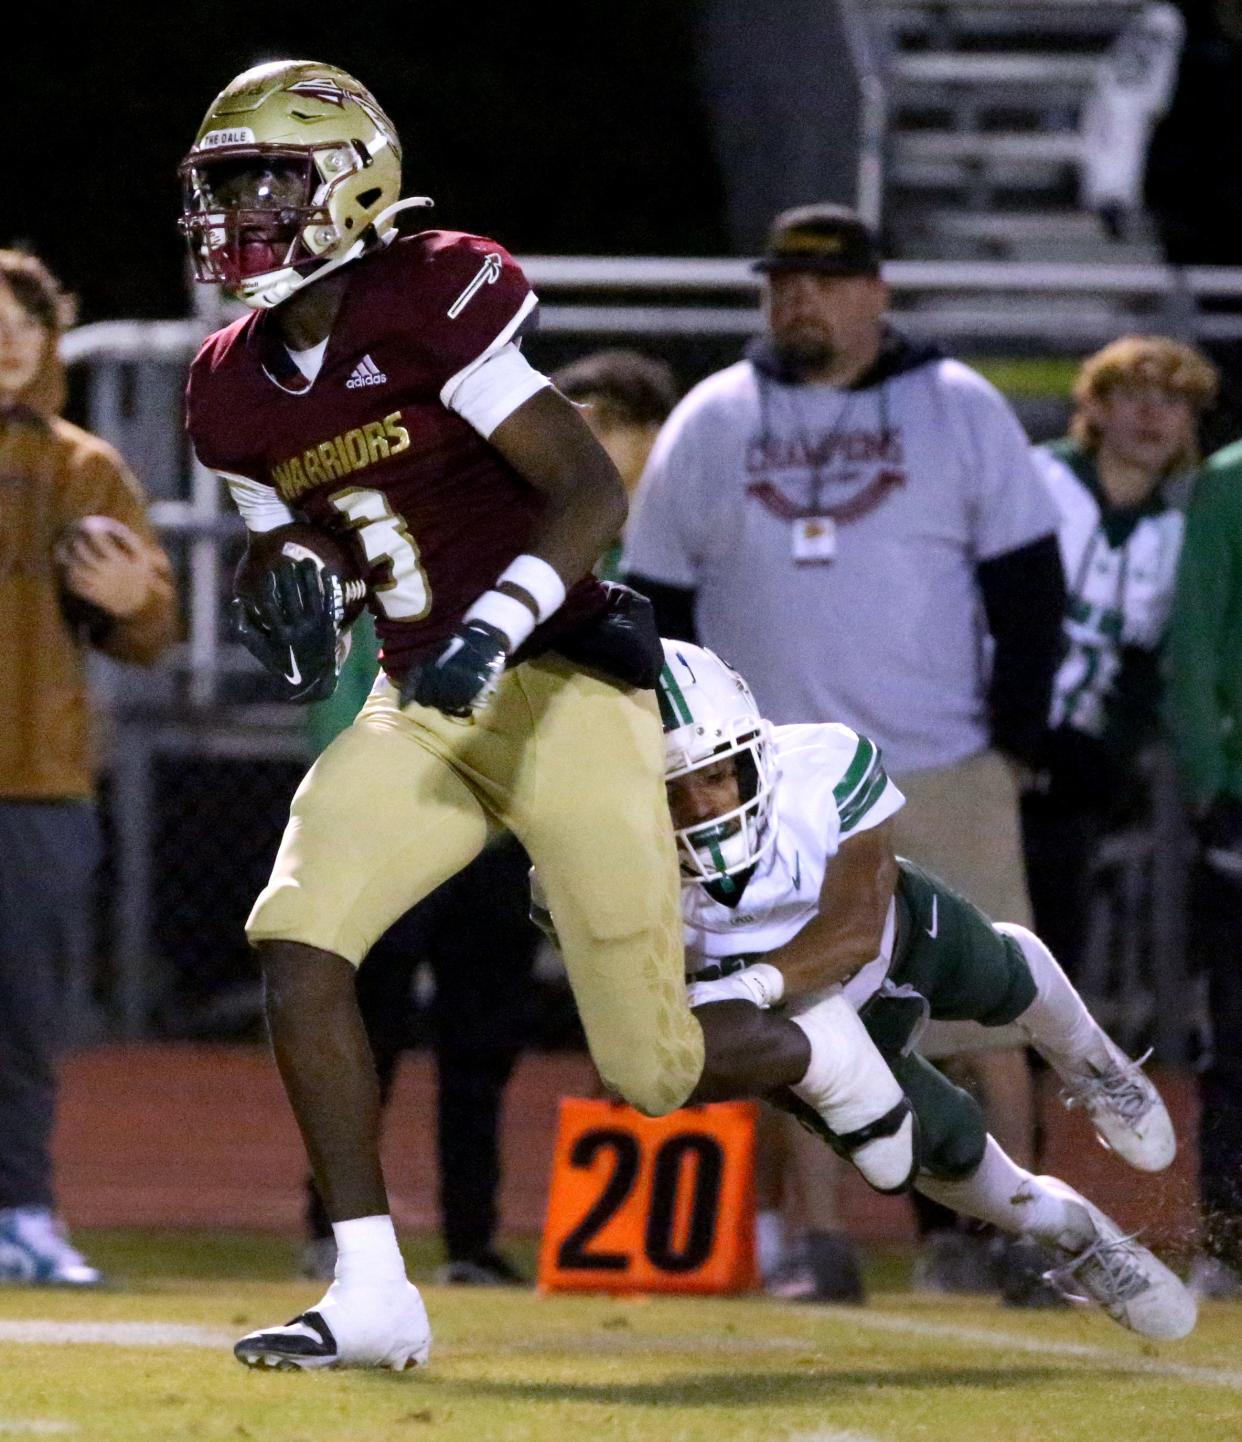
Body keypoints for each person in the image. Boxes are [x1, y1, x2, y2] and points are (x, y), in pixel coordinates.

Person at [180, 62, 915, 1372]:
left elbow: (584, 489)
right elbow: (287, 552)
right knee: (297, 942)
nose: (236, 214)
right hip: (422, 700)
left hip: (562, 680)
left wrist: (489, 623)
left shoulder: (427, 294)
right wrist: (282, 595)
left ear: (350, 183)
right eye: (224, 188)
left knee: (652, 1067)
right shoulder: (228, 388)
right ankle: (370, 1290)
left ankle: (819, 1043)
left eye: (264, 183)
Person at [623, 201, 1067, 1292]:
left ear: (878, 292)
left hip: (940, 756)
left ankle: (1012, 1238)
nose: (799, 301)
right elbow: (653, 603)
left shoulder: (958, 406)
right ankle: (815, 1244)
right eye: (781, 283)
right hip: (764, 787)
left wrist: (1012, 738)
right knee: (779, 1004)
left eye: (823, 282)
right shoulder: (712, 417)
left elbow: (1029, 589)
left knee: (984, 1004)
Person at [595, 642, 1189, 1338]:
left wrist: (746, 988)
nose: (700, 806)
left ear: (754, 750)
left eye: (717, 774)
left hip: (892, 942)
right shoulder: (608, 858)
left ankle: (1092, 1059)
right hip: (801, 1034)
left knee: (1000, 977)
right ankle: (1076, 1232)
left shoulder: (823, 764)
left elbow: (854, 923)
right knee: (955, 1158)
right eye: (672, 789)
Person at [0, 249, 176, 1285]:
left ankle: (21, 1212)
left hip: (37, 786)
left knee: (22, 1024)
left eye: (28, 319)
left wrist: (130, 603)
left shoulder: (84, 468)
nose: (13, 337)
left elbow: (155, 632)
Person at [300, 617, 537, 1289]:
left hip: (491, 841)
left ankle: (471, 1240)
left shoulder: (525, 575)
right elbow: (335, 703)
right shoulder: (383, 572)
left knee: (480, 1053)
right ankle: (335, 1230)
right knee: (367, 1043)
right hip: (390, 833)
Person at [1025, 337, 1217, 981]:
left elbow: (1142, 667)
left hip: (1078, 766)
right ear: (1096, 406)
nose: (1152, 416)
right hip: (987, 741)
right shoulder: (1038, 479)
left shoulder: (1178, 531)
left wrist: (1108, 756)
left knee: (1053, 943)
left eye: (1172, 402)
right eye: (1134, 397)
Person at [1164, 433, 1242, 1300]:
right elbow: (1197, 638)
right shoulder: (1230, 484)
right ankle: (1231, 1239)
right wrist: (1209, 785)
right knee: (1240, 1031)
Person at [551, 348, 679, 578]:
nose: (585, 444)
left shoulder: (692, 541)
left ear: (653, 433)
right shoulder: (565, 548)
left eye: (603, 424)